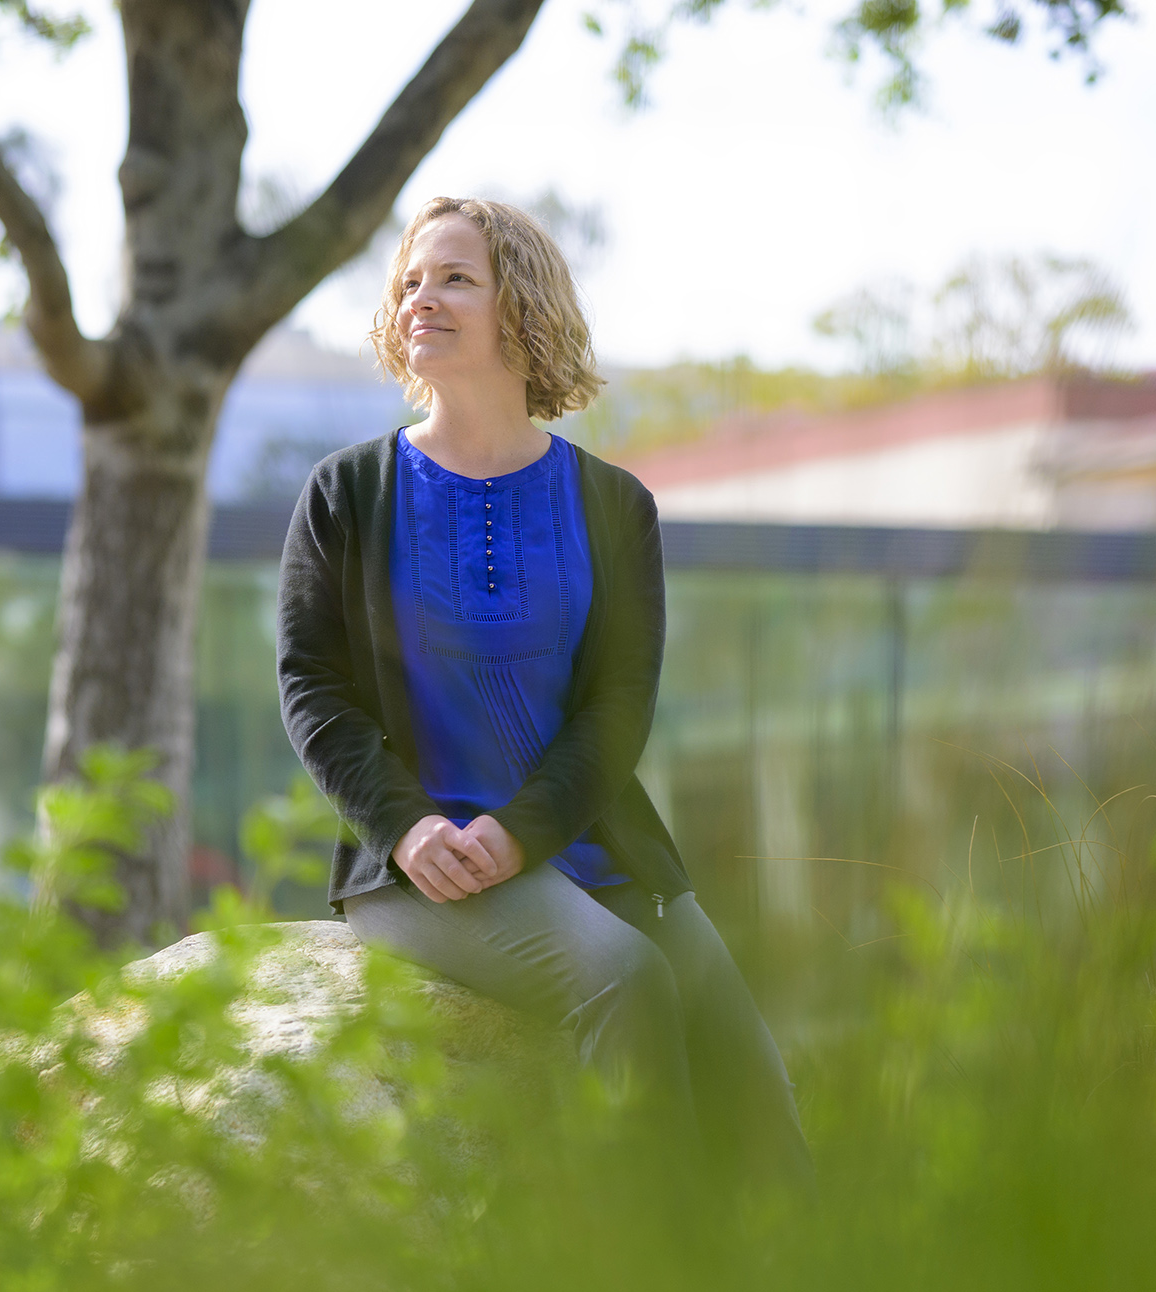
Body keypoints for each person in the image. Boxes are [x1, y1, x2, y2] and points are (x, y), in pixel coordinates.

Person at [276, 195, 809, 1180]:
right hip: (417, 868)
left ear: (520, 306)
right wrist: (409, 826)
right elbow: (311, 685)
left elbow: (619, 705)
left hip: (594, 845)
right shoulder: (345, 493)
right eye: (407, 282)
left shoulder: (613, 505)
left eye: (453, 278)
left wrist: (521, 829)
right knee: (622, 979)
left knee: (761, 1099)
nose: (418, 300)